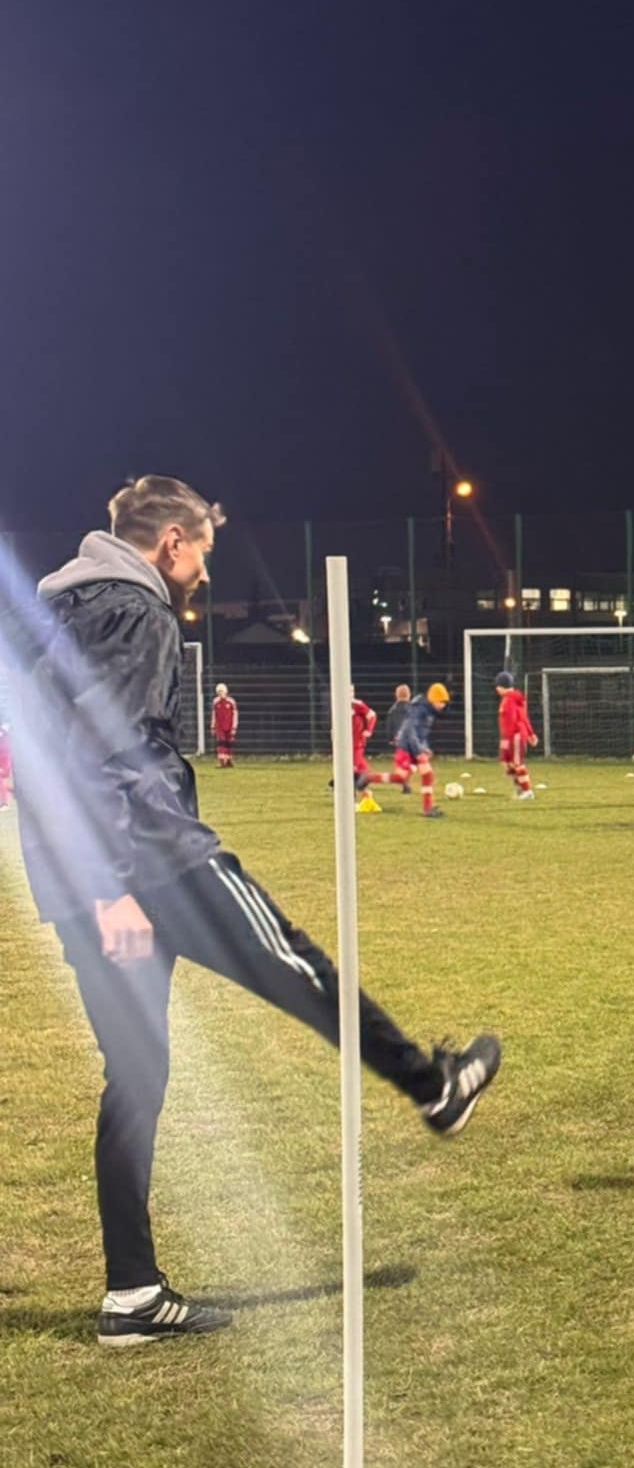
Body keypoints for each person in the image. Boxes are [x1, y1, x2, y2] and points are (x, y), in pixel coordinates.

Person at [1, 475, 501, 1344]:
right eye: (202, 552)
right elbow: (102, 747)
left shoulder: (58, 618)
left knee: (139, 1076)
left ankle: (131, 1294)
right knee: (298, 966)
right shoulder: (136, 607)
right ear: (171, 544)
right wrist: (112, 884)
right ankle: (433, 1087)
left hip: (78, 869)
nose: (202, 571)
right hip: (155, 862)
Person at [389, 683, 450, 817]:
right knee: (402, 777)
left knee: (425, 774)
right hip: (407, 747)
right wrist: (419, 751)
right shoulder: (419, 709)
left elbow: (421, 733)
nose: (443, 705)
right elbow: (411, 731)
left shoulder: (428, 710)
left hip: (413, 746)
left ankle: (428, 808)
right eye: (441, 702)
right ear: (434, 699)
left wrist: (424, 748)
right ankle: (369, 778)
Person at [494, 670, 538, 801]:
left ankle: (527, 791)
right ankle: (520, 788)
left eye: (497, 686)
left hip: (515, 735)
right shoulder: (508, 699)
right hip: (507, 737)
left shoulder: (511, 699)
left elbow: (522, 718)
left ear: (501, 686)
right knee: (506, 762)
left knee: (517, 763)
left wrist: (530, 734)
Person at [351, 688, 388, 812]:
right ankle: (363, 795)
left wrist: (369, 730)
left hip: (357, 744)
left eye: (351, 691)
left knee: (355, 770)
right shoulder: (337, 704)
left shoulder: (356, 704)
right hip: (346, 745)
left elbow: (372, 715)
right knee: (356, 770)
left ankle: (356, 798)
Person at [384, 684, 413, 795]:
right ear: (409, 695)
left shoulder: (392, 710)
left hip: (399, 740)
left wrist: (390, 738)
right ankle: (406, 783)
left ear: (396, 695)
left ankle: (405, 783)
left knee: (402, 763)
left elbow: (389, 726)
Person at [211, 682, 237, 768]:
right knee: (221, 743)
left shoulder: (231, 702)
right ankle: (222, 761)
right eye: (219, 692)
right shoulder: (216, 702)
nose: (220, 693)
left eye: (222, 691)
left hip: (229, 726)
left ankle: (229, 760)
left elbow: (235, 715)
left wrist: (234, 727)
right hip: (220, 727)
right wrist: (213, 726)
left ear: (226, 691)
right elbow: (214, 714)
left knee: (229, 743)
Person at [0, 719, 12, 810]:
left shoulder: (4, 729)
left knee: (2, 778)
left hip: (4, 756)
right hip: (5, 755)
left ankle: (4, 803)